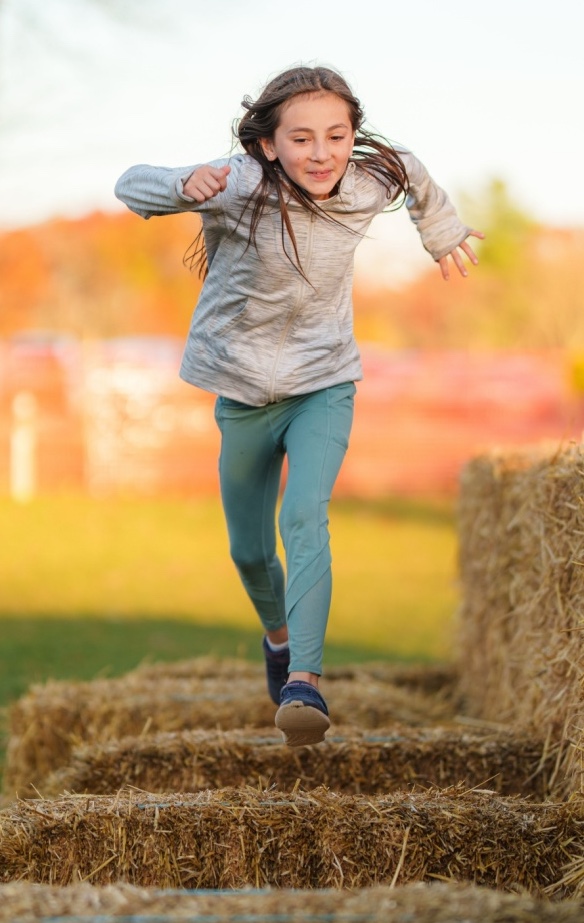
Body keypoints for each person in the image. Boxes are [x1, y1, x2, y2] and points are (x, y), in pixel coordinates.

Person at [115, 64, 483, 748]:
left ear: (352, 136)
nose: (321, 153)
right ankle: (278, 641)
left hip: (324, 382)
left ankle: (304, 683)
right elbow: (128, 183)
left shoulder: (371, 178)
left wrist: (441, 234)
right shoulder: (239, 183)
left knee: (304, 514)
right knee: (251, 552)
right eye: (302, 138)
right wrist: (181, 183)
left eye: (336, 135)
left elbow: (413, 172)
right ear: (269, 144)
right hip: (245, 393)